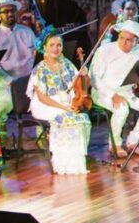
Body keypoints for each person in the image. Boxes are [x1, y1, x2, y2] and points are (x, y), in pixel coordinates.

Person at [89, 20, 139, 158]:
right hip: (103, 92)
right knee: (122, 108)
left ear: (136, 41)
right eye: (121, 38)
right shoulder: (104, 50)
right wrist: (112, 94)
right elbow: (94, 78)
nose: (124, 42)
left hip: (126, 92)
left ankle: (133, 140)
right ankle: (114, 144)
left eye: (128, 40)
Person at [26, 32, 91, 174]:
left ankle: (75, 163)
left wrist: (84, 75)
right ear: (44, 47)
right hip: (45, 105)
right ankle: (61, 164)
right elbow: (43, 98)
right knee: (66, 117)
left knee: (81, 117)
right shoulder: (39, 69)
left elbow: (78, 84)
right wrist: (64, 108)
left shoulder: (66, 63)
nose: (56, 49)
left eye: (59, 45)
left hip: (65, 102)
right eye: (52, 45)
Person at [0, 0, 37, 146]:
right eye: (5, 11)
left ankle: (43, 137)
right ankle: (1, 141)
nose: (9, 14)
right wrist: (11, 82)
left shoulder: (27, 32)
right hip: (7, 82)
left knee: (47, 97)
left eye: (12, 10)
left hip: (29, 79)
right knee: (3, 103)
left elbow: (36, 56)